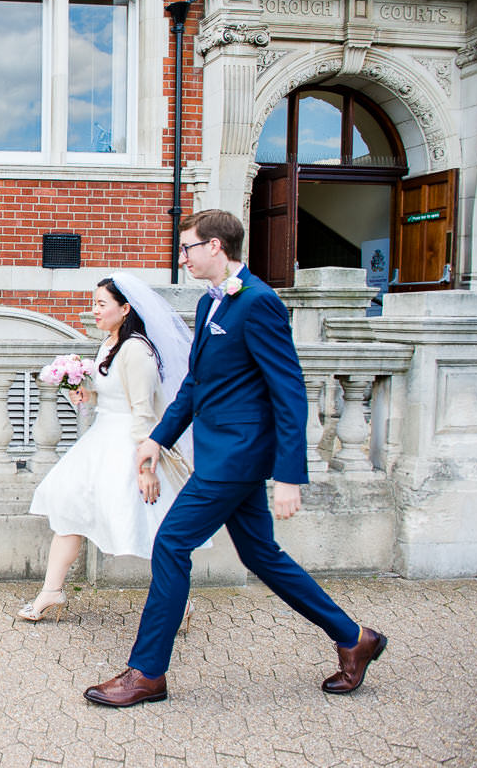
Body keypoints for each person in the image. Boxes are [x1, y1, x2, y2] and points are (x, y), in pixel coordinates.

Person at [84, 209, 386, 708]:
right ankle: (355, 638)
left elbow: (289, 391)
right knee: (261, 555)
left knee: (171, 542)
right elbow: (196, 386)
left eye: (188, 248)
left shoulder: (260, 303)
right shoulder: (209, 306)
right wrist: (158, 438)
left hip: (238, 458)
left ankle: (147, 673)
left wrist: (290, 475)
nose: (183, 257)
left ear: (217, 248)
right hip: (220, 451)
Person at [16, 273, 196, 623]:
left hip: (128, 445)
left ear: (125, 308)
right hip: (100, 442)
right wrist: (88, 392)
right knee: (68, 508)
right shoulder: (110, 343)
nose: (94, 310)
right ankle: (51, 591)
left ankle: (180, 601)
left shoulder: (137, 350)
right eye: (94, 303)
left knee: (149, 527)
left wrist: (145, 469)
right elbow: (114, 393)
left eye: (101, 304)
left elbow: (143, 413)